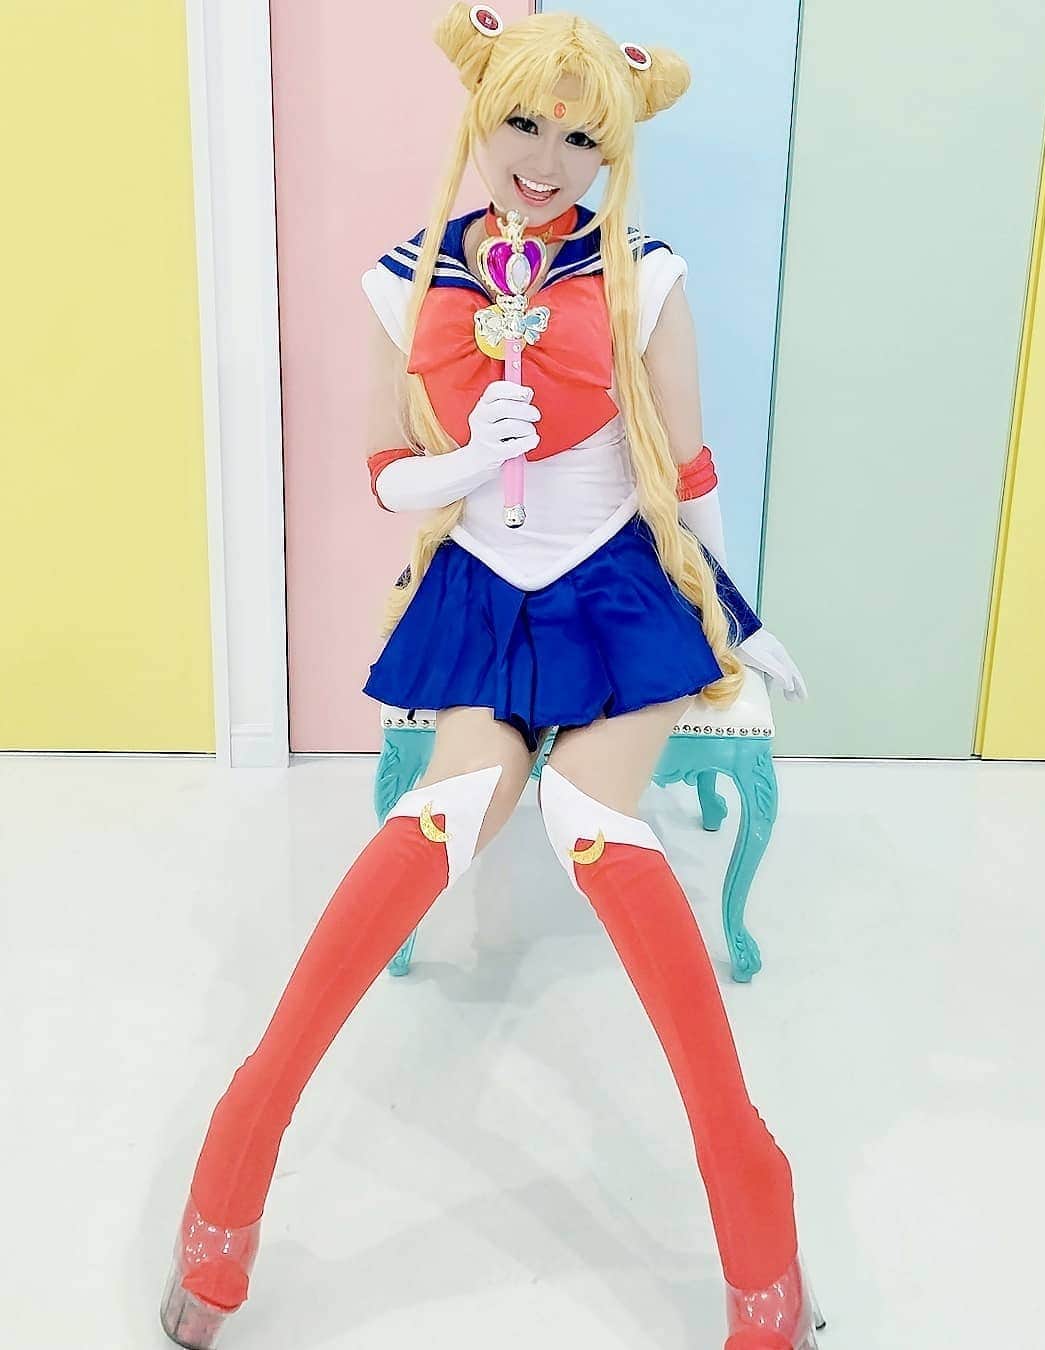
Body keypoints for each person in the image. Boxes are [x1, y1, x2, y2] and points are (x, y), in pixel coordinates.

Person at [160, 6, 824, 1348]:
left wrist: (738, 616)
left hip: (619, 585)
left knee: (589, 822)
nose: (547, 157)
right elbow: (383, 475)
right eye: (524, 122)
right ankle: (239, 1147)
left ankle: (756, 1210)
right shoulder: (405, 278)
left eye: (582, 140)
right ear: (480, 115)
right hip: (478, 587)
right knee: (447, 812)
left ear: (610, 153)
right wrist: (470, 460)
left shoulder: (645, 273)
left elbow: (689, 469)